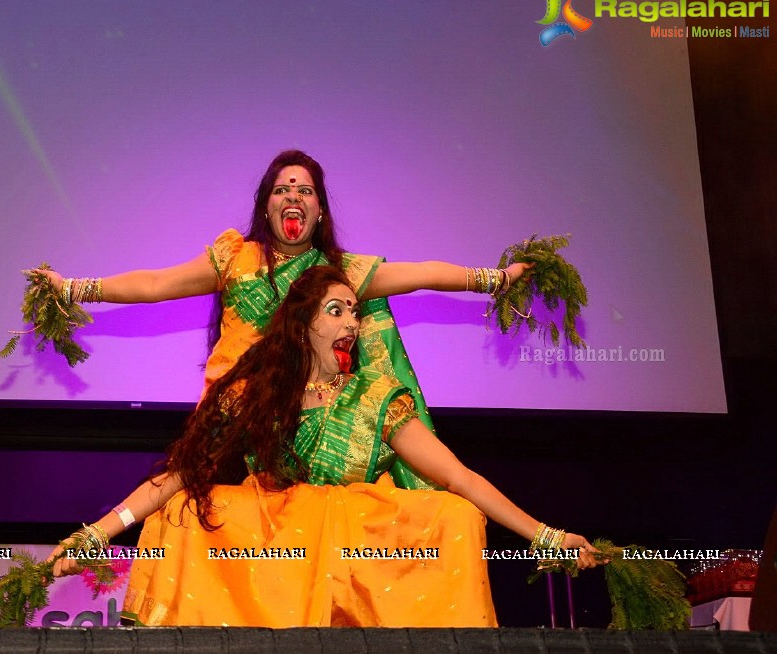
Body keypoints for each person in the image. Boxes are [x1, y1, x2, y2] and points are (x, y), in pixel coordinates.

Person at [48, 266, 601, 627]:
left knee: (453, 515)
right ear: (303, 324)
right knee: (187, 507)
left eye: (355, 312)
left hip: (362, 550)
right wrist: (94, 534)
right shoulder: (254, 396)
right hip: (279, 550)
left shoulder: (378, 397)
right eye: (336, 310)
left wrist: (548, 536)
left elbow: (460, 477)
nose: (352, 323)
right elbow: (175, 475)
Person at [33, 150, 529, 490]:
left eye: (306, 190)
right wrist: (75, 288)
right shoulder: (235, 258)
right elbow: (157, 285)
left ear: (318, 211)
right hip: (232, 424)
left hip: (311, 431)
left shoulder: (337, 273)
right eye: (282, 188)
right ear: (266, 206)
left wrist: (495, 279)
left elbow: (421, 274)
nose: (293, 196)